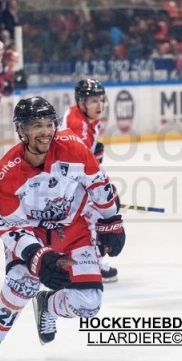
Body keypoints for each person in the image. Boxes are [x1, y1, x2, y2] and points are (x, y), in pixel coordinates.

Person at [0, 96, 125, 361]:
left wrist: (111, 219)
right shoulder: (5, 174)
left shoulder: (72, 147)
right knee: (21, 283)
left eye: (49, 123)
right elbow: (11, 226)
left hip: (73, 229)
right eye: (36, 125)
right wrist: (37, 256)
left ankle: (48, 304)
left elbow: (98, 181)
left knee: (89, 304)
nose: (45, 131)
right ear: (21, 131)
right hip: (33, 232)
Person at [60, 78, 118, 282]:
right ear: (81, 102)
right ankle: (93, 264)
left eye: (100, 100)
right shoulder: (78, 126)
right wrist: (104, 191)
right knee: (97, 214)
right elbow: (83, 166)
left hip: (69, 178)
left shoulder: (83, 116)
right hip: (67, 182)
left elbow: (85, 159)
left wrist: (95, 153)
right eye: (93, 101)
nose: (99, 105)